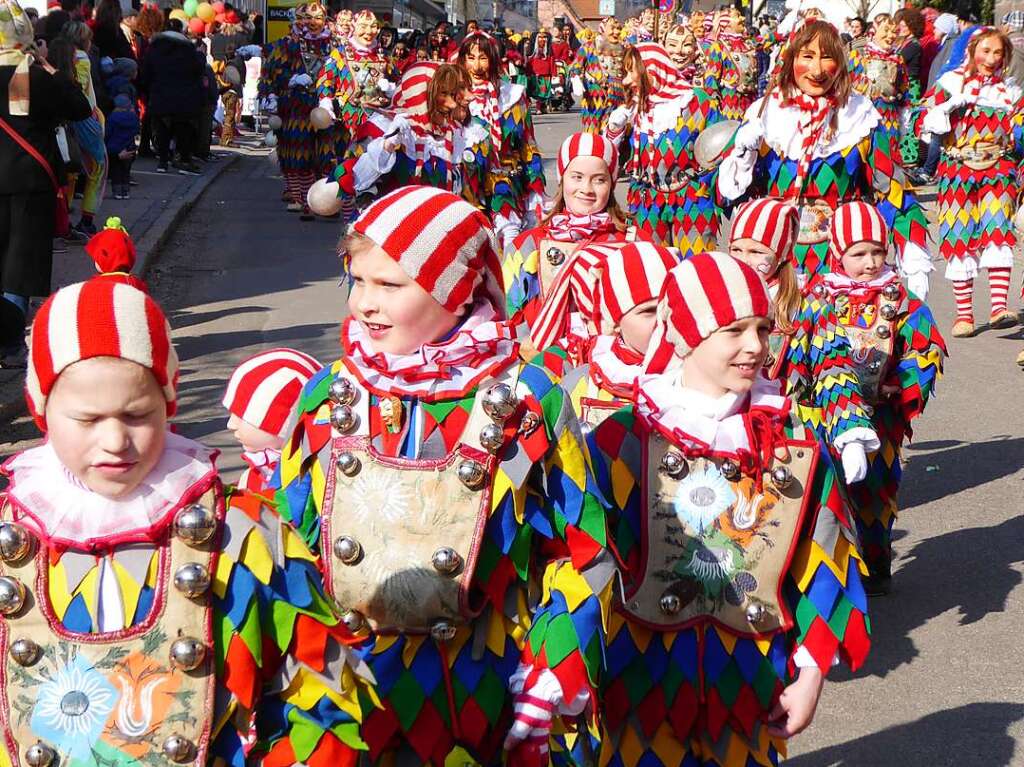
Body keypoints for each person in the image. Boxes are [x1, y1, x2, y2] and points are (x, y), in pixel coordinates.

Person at [273, 186, 614, 766]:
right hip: (352, 688)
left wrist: (555, 667)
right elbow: (287, 541)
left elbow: (585, 550)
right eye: (358, 281)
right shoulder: (329, 395)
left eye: (390, 285)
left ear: (456, 293)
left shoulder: (529, 400)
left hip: (484, 683)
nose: (364, 304)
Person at [2, 274, 373, 766]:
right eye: (88, 420)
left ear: (169, 402)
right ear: (42, 411)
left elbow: (318, 691)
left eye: (136, 414)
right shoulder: (12, 538)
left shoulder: (240, 533)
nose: (115, 440)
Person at [587, 251, 871, 767]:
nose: (755, 347)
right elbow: (580, 564)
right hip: (637, 682)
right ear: (686, 333)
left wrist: (811, 676)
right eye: (733, 329)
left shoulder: (793, 444)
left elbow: (825, 555)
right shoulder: (619, 440)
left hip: (750, 677)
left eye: (763, 328)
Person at [718, 19, 932, 295]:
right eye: (807, 56)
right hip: (776, 263)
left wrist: (913, 253)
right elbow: (730, 198)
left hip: (840, 262)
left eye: (827, 57)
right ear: (791, 58)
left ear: (840, 63)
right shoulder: (763, 113)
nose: (817, 70)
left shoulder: (860, 116)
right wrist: (743, 152)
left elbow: (891, 191)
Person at [819, 202, 946, 594]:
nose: (871, 262)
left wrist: (903, 384)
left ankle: (876, 564)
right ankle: (831, 568)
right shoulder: (819, 296)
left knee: (874, 491)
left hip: (881, 416)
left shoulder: (901, 301)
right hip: (827, 414)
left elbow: (925, 352)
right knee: (828, 490)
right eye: (858, 253)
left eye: (877, 250)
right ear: (838, 254)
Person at [727, 198, 879, 487]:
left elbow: (832, 369)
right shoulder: (714, 297)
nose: (743, 259)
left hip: (792, 434)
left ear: (781, 254)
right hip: (729, 433)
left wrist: (851, 432)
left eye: (756, 251)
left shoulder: (808, 306)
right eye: (736, 249)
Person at [914, 27, 1023, 340]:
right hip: (957, 170)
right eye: (985, 51)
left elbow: (1019, 135)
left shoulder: (1012, 91)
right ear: (971, 50)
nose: (991, 59)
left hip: (998, 170)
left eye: (998, 53)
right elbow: (923, 124)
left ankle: (999, 307)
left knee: (998, 231)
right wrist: (948, 107)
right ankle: (964, 316)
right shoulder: (950, 83)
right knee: (960, 235)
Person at [0, 0, 90, 367]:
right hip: (29, 180)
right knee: (19, 265)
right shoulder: (29, 76)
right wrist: (50, 67)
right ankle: (9, 343)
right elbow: (79, 108)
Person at [503, 132, 631, 347]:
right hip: (539, 362)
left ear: (612, 183)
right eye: (577, 177)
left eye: (599, 179)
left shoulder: (632, 243)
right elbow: (511, 316)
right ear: (563, 178)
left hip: (610, 363)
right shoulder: (526, 245)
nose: (587, 189)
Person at [542, 241, 681, 432]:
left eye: (672, 305)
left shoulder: (705, 367)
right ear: (616, 321)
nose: (663, 319)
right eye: (649, 311)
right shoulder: (583, 375)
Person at [605, 42, 724, 253]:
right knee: (651, 267)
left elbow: (721, 150)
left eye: (632, 70)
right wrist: (614, 130)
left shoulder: (697, 101)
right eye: (625, 72)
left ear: (653, 68)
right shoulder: (635, 107)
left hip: (692, 200)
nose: (627, 80)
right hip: (646, 201)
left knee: (694, 268)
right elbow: (610, 159)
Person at [328, 62, 478, 210]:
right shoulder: (383, 126)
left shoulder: (452, 133)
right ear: (420, 94)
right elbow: (356, 182)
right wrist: (388, 145)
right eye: (444, 94)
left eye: (453, 95)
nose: (452, 104)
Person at [459, 32, 545, 252]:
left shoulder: (513, 96)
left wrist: (535, 189)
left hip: (505, 183)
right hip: (467, 186)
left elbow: (528, 144)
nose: (477, 66)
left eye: (483, 58)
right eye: (471, 57)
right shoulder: (454, 97)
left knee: (509, 236)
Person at [258, 2, 332, 220]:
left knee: (326, 157)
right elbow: (272, 72)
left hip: (326, 106)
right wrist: (290, 80)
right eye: (304, 18)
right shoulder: (287, 45)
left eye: (316, 18)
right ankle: (303, 200)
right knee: (299, 156)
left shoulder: (333, 44)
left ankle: (328, 201)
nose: (309, 23)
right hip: (296, 109)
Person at [223, 348, 322, 496]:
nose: (230, 425)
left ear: (285, 426)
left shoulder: (310, 480)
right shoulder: (258, 472)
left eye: (241, 416)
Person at [60, 21, 108, 235]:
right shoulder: (82, 59)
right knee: (97, 168)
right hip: (85, 120)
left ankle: (63, 220)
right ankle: (87, 220)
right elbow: (80, 92)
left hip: (65, 121)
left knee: (69, 171)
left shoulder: (57, 55)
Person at [140, 18, 204, 175]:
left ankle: (162, 161)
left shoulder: (154, 48)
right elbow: (197, 69)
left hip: (160, 95)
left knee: (161, 129)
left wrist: (148, 90)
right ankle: (183, 159)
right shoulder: (188, 49)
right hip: (184, 97)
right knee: (183, 128)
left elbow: (146, 72)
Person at [849, 17, 910, 157]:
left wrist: (898, 101)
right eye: (886, 30)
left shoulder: (898, 59)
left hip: (888, 117)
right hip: (861, 116)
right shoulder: (858, 54)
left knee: (886, 157)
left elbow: (904, 89)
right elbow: (847, 86)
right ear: (874, 30)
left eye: (894, 32)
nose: (891, 36)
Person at [567, 16, 625, 133]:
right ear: (602, 29)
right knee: (592, 135)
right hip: (594, 100)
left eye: (618, 28)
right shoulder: (589, 46)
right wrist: (576, 78)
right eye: (612, 28)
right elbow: (575, 66)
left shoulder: (623, 49)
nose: (617, 32)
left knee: (613, 136)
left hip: (617, 101)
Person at [701, 5, 759, 119]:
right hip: (729, 105)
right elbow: (711, 76)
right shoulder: (719, 46)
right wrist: (714, 101)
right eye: (737, 16)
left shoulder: (748, 45)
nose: (742, 18)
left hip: (750, 104)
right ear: (725, 22)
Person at [893, 7, 925, 166]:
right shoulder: (905, 42)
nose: (901, 28)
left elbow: (897, 60)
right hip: (903, 83)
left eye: (905, 25)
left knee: (909, 120)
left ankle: (910, 156)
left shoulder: (914, 45)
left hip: (911, 85)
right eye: (901, 25)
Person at [104, 92, 138, 200]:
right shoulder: (133, 117)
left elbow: (108, 132)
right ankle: (125, 191)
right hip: (129, 147)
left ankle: (117, 192)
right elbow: (136, 130)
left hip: (114, 148)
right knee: (126, 170)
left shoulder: (113, 117)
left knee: (116, 170)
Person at [527, 27, 555, 113]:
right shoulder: (532, 49)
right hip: (535, 73)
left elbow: (552, 61)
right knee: (537, 91)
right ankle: (538, 108)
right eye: (540, 37)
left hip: (546, 74)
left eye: (544, 37)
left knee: (544, 92)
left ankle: (542, 107)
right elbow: (529, 61)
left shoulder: (549, 49)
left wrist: (554, 74)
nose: (542, 39)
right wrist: (528, 72)